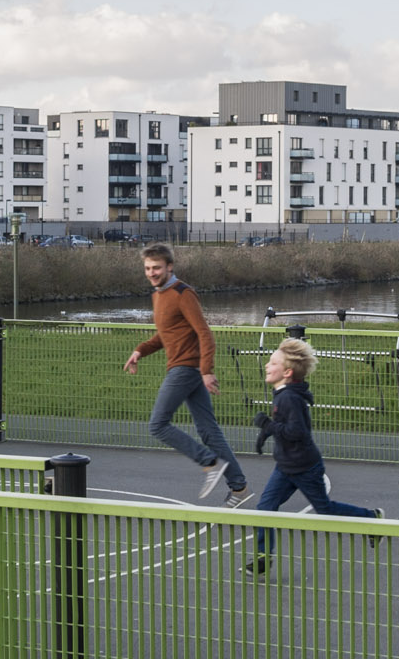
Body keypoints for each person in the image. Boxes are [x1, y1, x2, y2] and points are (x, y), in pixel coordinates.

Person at [242, 337, 382, 576]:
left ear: (286, 372)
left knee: (325, 509)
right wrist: (267, 432)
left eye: (272, 363)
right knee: (265, 508)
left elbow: (297, 432)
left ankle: (371, 517)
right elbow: (283, 425)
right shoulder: (283, 393)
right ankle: (263, 558)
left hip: (305, 467)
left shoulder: (289, 398)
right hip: (285, 467)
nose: (267, 365)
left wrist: (267, 425)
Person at [124, 243, 249, 506]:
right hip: (187, 369)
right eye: (147, 268)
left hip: (186, 368)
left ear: (169, 267)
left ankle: (209, 463)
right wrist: (139, 351)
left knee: (158, 425)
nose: (152, 272)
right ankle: (239, 489)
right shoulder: (158, 295)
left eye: (156, 267)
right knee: (208, 432)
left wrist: (207, 371)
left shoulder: (183, 293)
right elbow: (165, 335)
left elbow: (204, 333)